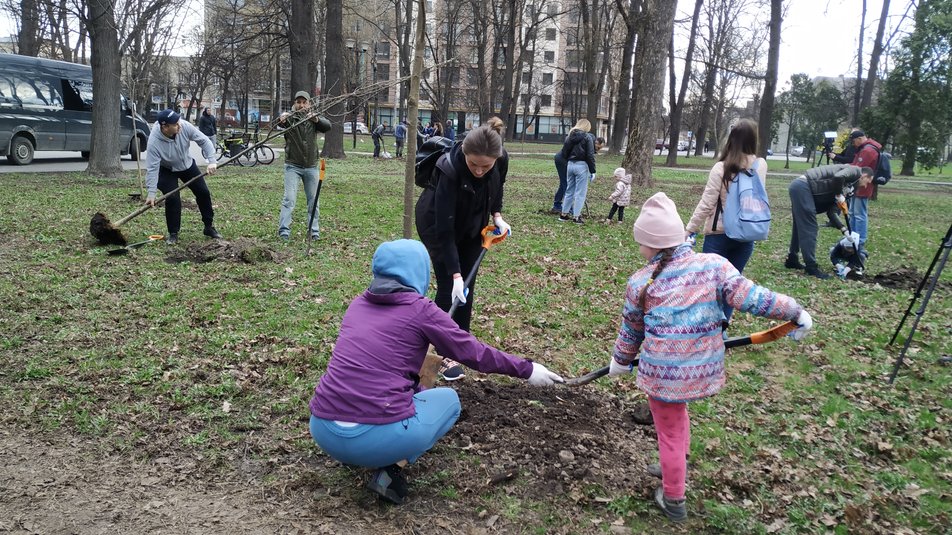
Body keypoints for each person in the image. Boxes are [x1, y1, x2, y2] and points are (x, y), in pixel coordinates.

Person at [308, 239, 564, 504]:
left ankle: (352, 455)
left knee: (403, 393)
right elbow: (474, 352)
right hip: (376, 438)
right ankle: (390, 470)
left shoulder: (357, 305)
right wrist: (527, 369)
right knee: (450, 401)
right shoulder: (421, 310)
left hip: (323, 430)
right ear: (419, 271)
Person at [608, 192, 812, 522]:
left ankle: (673, 498)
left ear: (653, 243)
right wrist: (795, 310)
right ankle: (673, 462)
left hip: (663, 375)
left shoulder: (640, 282)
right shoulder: (713, 266)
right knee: (678, 418)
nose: (639, 249)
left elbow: (632, 330)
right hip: (699, 369)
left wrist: (620, 359)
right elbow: (753, 297)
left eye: (642, 242)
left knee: (669, 431)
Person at [415, 118, 511, 381]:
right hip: (437, 224)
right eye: (473, 164)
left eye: (486, 166)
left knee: (467, 288)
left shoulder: (500, 160)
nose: (479, 171)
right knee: (450, 286)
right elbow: (445, 229)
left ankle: (460, 343)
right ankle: (442, 353)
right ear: (465, 154)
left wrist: (497, 215)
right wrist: (455, 273)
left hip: (473, 222)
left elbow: (496, 187)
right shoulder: (448, 169)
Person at [684, 119, 767, 330]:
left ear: (731, 139)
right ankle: (722, 328)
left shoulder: (721, 168)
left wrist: (689, 229)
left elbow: (707, 203)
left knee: (710, 285)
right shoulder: (760, 165)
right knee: (733, 285)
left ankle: (707, 328)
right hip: (746, 234)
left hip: (717, 235)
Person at [145, 109, 220, 245]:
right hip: (166, 169)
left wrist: (212, 161)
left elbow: (204, 141)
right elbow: (152, 169)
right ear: (165, 127)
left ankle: (209, 227)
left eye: (178, 121)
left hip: (187, 165)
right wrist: (151, 193)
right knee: (173, 197)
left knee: (203, 192)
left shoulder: (184, 126)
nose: (179, 125)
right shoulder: (154, 142)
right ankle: (173, 233)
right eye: (175, 124)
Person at [785, 164, 873, 279]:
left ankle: (792, 259)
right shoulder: (855, 171)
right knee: (810, 228)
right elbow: (838, 177)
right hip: (803, 187)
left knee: (799, 226)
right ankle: (811, 267)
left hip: (805, 190)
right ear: (864, 175)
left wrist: (843, 229)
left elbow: (832, 212)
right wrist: (838, 194)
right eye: (868, 181)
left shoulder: (851, 187)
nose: (866, 186)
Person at [275, 91, 331, 242]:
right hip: (292, 166)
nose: (301, 105)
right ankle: (284, 231)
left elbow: (327, 126)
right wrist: (282, 118)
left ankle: (314, 231)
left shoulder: (313, 118)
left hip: (311, 166)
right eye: (298, 102)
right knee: (289, 199)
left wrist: (316, 119)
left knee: (313, 200)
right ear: (294, 103)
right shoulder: (290, 118)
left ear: (309, 104)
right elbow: (279, 122)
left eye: (304, 102)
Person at [558, 119, 597, 224]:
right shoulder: (587, 137)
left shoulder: (569, 136)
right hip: (582, 166)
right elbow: (590, 155)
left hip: (570, 164)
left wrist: (568, 161)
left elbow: (564, 152)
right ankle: (576, 216)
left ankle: (564, 214)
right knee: (580, 192)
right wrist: (593, 170)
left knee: (569, 190)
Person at [552, 136, 603, 214]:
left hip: (563, 159)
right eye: (598, 147)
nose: (597, 150)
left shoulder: (585, 139)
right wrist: (592, 171)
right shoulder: (588, 140)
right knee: (567, 184)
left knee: (564, 183)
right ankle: (568, 208)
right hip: (564, 160)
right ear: (596, 142)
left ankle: (557, 204)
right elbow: (589, 157)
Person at [848, 130, 881, 248]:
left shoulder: (868, 151)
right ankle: (853, 236)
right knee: (852, 212)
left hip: (863, 185)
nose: (853, 144)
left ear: (860, 139)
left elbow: (859, 168)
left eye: (854, 141)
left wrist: (847, 169)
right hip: (857, 185)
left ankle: (860, 239)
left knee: (859, 214)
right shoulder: (865, 148)